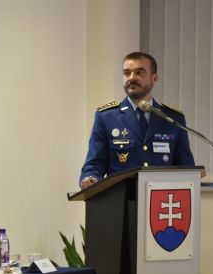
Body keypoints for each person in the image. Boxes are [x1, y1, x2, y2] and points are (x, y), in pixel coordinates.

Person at [80, 51, 195, 189]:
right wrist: (90, 178)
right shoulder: (106, 117)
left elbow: (186, 169)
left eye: (139, 72)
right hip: (120, 199)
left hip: (160, 199)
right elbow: (94, 164)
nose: (132, 78)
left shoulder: (172, 118)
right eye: (126, 73)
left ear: (154, 78)